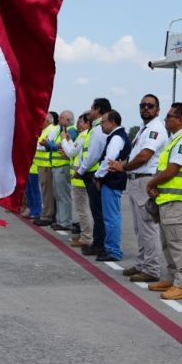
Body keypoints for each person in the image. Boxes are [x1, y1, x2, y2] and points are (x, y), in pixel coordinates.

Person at [110, 95, 167, 283]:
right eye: (143, 105)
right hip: (136, 180)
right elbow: (135, 154)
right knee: (139, 228)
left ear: (157, 110)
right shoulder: (143, 129)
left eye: (150, 106)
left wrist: (124, 167)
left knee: (148, 227)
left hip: (145, 180)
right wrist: (122, 165)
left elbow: (144, 156)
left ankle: (151, 268)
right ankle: (142, 264)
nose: (146, 108)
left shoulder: (156, 129)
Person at [145, 103, 182, 300]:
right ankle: (171, 278)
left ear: (180, 119)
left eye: (169, 116)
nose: (165, 119)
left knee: (178, 242)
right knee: (167, 242)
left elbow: (172, 169)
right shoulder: (173, 140)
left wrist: (151, 182)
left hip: (176, 200)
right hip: (166, 199)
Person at [93, 110, 131, 263]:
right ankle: (111, 248)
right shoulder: (117, 136)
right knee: (111, 216)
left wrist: (97, 175)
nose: (101, 124)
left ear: (112, 122)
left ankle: (113, 250)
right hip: (113, 180)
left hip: (112, 180)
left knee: (111, 217)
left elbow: (109, 160)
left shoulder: (116, 138)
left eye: (103, 121)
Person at [75, 98, 111, 256]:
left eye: (91, 108)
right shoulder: (96, 129)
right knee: (97, 211)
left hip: (94, 174)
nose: (89, 111)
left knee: (97, 211)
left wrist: (81, 170)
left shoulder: (98, 130)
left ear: (97, 110)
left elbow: (93, 155)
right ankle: (99, 242)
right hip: (94, 173)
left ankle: (99, 243)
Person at [63, 113, 93, 247]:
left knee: (82, 209)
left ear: (87, 124)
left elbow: (70, 153)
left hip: (79, 179)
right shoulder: (85, 136)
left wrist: (64, 140)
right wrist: (69, 141)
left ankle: (86, 237)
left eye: (80, 122)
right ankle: (85, 234)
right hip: (80, 177)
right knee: (84, 209)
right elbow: (74, 151)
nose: (77, 125)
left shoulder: (83, 136)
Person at [50, 110, 76, 230]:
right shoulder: (61, 130)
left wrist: (50, 145)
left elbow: (61, 145)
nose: (59, 119)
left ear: (68, 120)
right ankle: (61, 220)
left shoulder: (70, 130)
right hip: (57, 165)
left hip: (62, 165)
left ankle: (65, 222)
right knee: (58, 195)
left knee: (63, 195)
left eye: (61, 118)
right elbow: (58, 145)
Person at [33, 111, 58, 227]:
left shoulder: (52, 130)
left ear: (47, 121)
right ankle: (47, 213)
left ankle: (47, 215)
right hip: (42, 164)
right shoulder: (45, 130)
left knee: (47, 192)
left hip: (46, 165)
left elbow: (44, 146)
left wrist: (36, 145)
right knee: (45, 191)